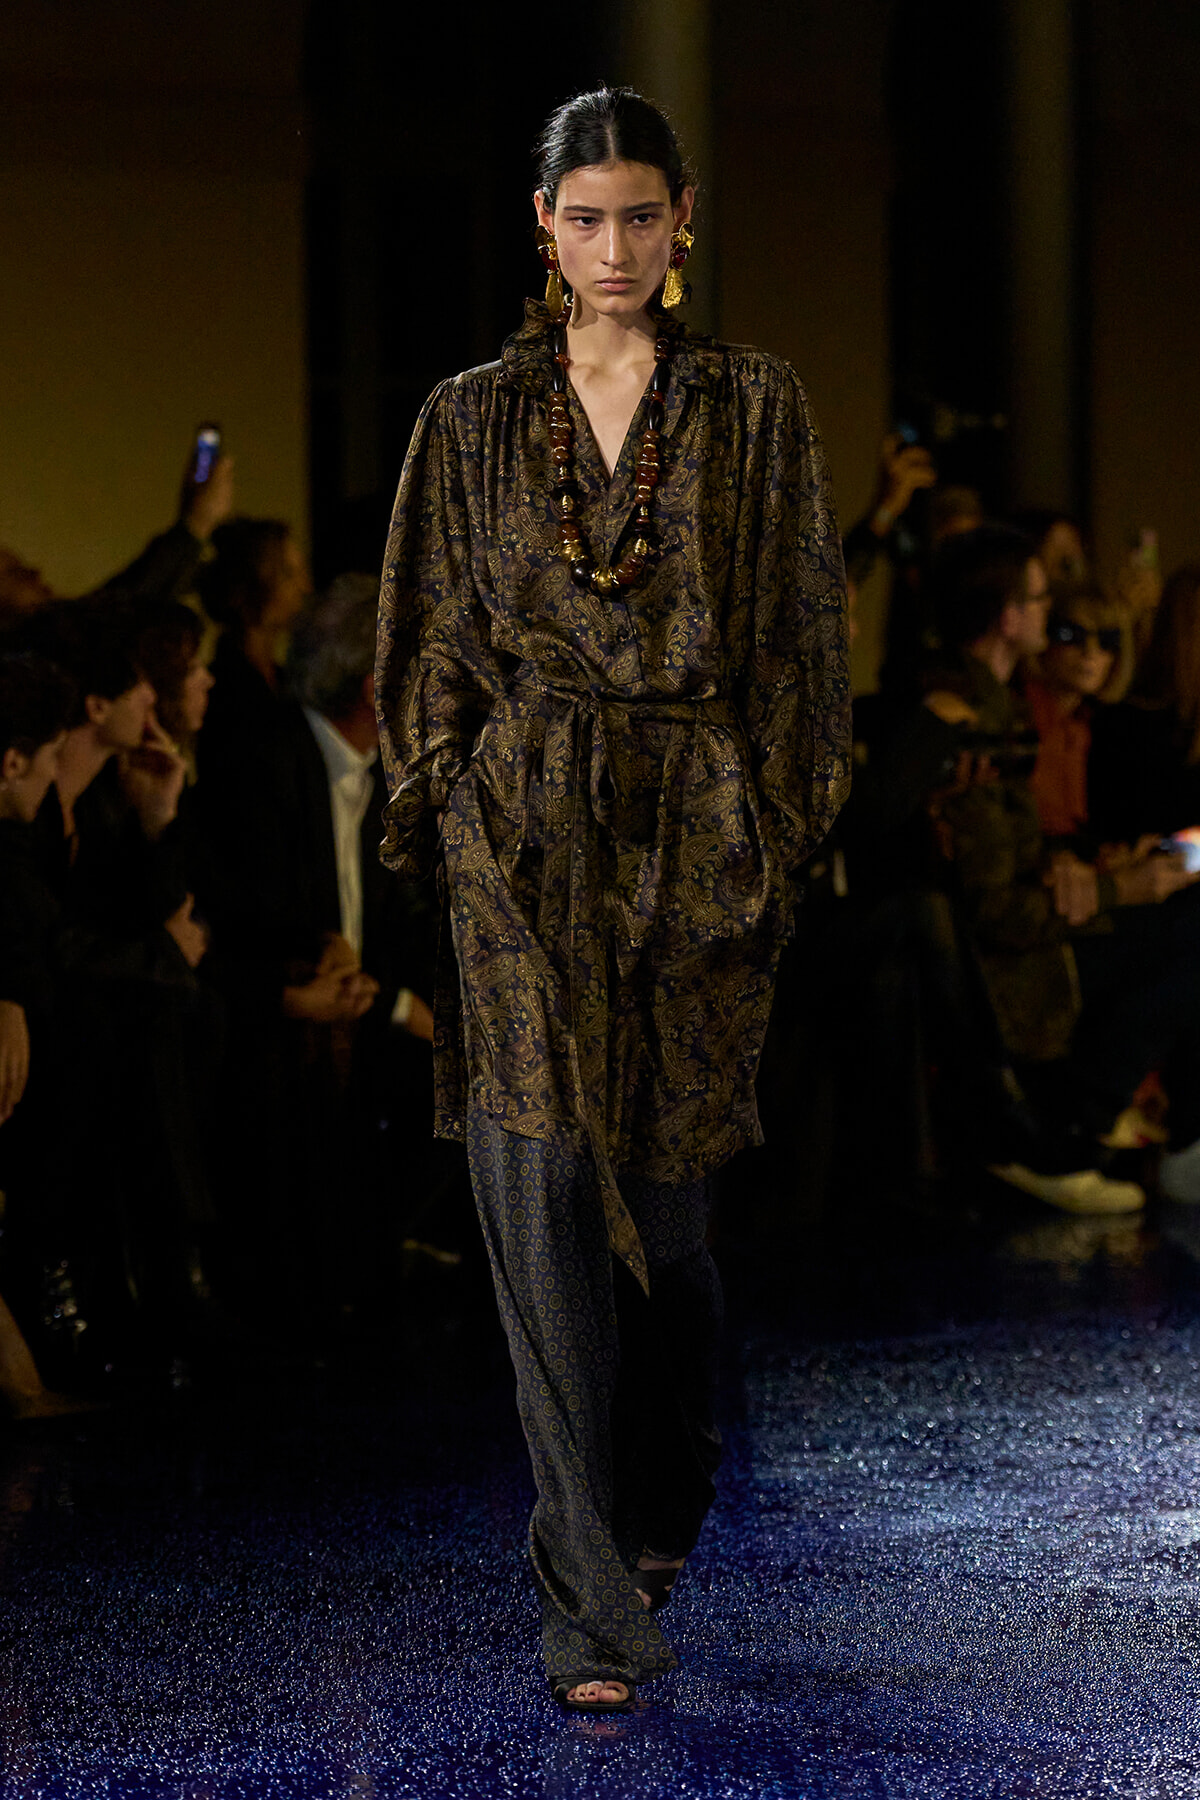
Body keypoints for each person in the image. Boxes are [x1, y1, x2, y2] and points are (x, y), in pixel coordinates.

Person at [375, 87, 850, 1711]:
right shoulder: (470, 420)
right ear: (543, 229)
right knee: (536, 1191)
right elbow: (430, 629)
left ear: (684, 219)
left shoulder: (754, 407)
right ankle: (591, 1605)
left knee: (673, 1220)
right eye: (586, 219)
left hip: (695, 833)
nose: (615, 248)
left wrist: (781, 831)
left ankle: (669, 1471)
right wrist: (442, 815)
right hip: (521, 837)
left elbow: (798, 629)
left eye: (642, 216)